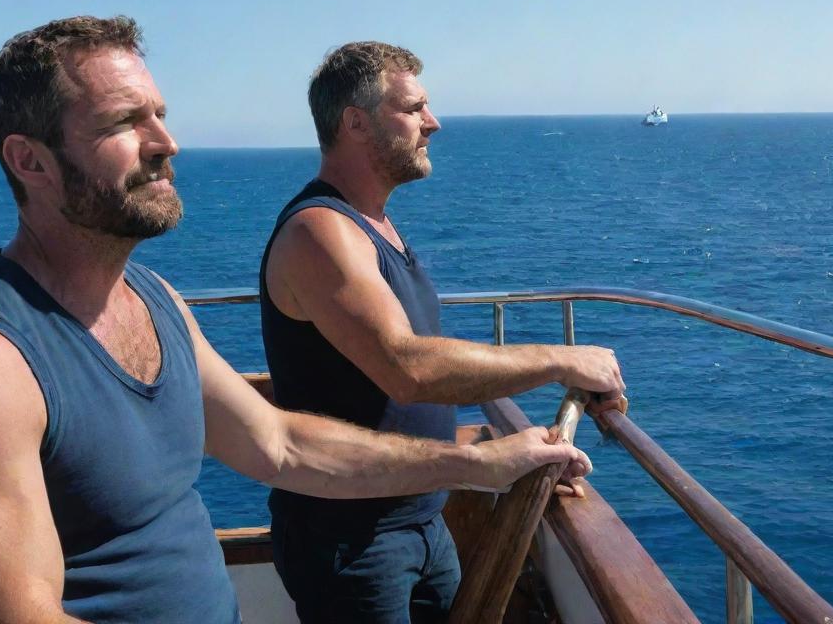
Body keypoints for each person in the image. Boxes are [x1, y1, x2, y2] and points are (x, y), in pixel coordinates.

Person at [0, 17, 592, 624]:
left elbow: (281, 444)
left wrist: (479, 465)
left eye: (159, 114)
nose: (165, 142)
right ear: (30, 161)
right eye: (124, 123)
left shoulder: (153, 300)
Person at [261, 41, 625, 623]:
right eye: (414, 108)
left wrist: (502, 454)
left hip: (423, 520)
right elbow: (407, 368)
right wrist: (561, 360)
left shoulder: (374, 226)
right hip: (354, 541)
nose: (433, 123)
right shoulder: (320, 233)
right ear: (355, 122)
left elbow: (380, 400)